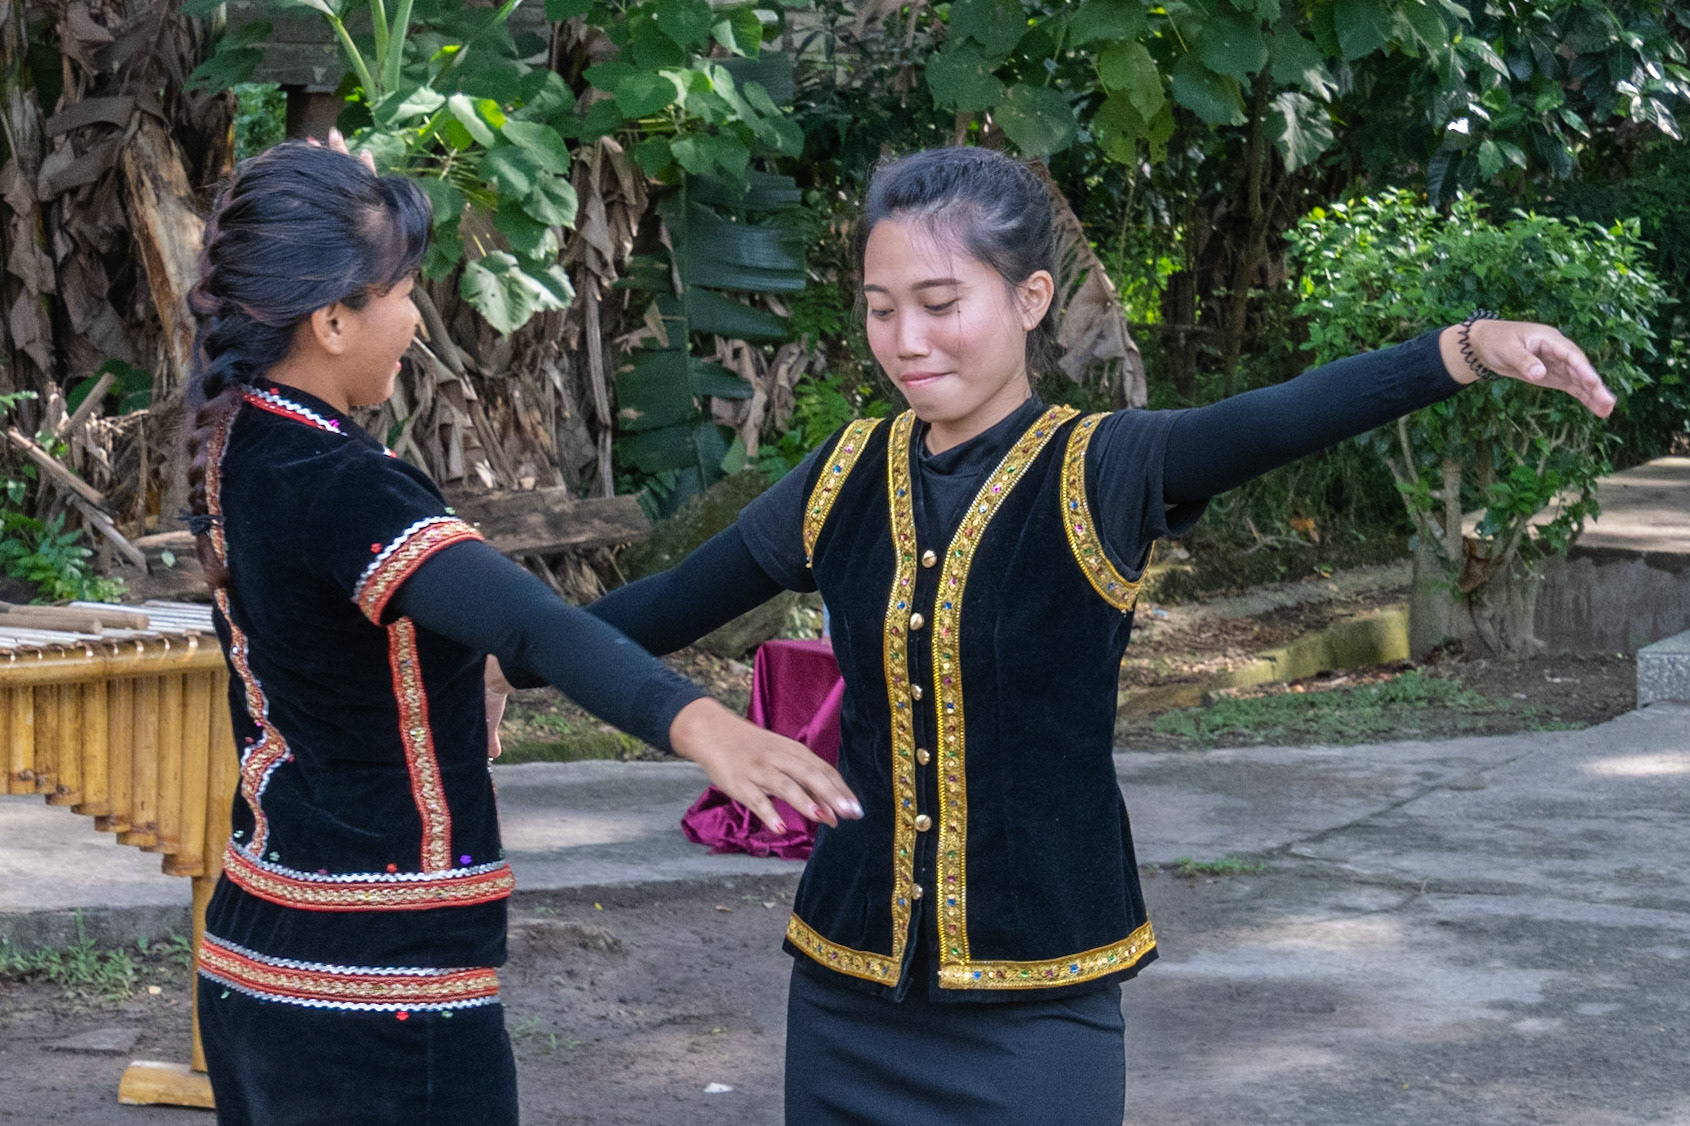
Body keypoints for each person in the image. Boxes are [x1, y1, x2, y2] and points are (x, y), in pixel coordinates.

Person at [578, 146, 1615, 1124]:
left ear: (1029, 300)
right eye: (881, 308)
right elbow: (657, 608)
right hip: (847, 992)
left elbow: (1277, 418)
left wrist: (1465, 349)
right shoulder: (843, 475)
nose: (905, 340)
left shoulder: (1101, 467)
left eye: (941, 305)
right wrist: (493, 650)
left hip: (1040, 999)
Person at [182, 137, 862, 1126]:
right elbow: (527, 621)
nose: (417, 319)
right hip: (376, 994)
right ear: (330, 318)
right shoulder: (339, 482)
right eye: (403, 289)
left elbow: (427, 638)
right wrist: (705, 726)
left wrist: (327, 194)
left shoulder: (236, 437)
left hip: (257, 962)